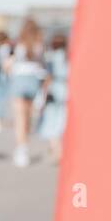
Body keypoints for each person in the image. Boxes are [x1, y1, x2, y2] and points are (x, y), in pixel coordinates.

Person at [6, 18, 49, 167]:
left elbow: (9, 65)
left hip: (19, 80)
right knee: (28, 117)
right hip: (33, 81)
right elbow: (44, 66)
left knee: (19, 117)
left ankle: (21, 149)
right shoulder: (39, 45)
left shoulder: (19, 45)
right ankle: (25, 146)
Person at [38, 33, 69, 162]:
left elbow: (48, 78)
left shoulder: (51, 58)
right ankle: (60, 148)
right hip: (66, 90)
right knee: (62, 120)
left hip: (54, 90)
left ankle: (56, 150)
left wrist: (42, 96)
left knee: (50, 121)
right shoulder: (69, 58)